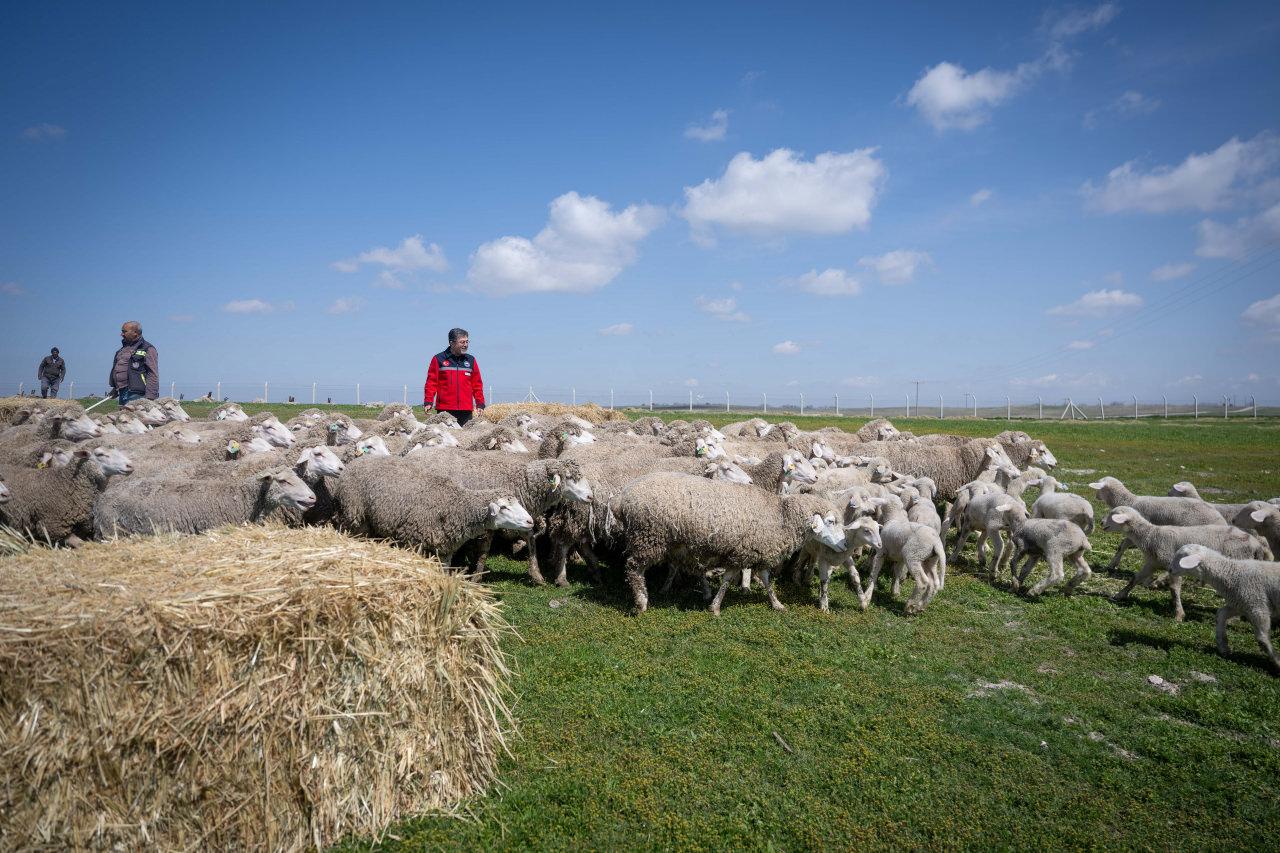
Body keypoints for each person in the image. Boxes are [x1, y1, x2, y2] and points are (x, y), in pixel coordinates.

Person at [423, 327, 485, 426]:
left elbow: (477, 385)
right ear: (451, 343)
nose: (465, 345)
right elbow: (431, 383)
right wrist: (428, 401)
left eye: (467, 342)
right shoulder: (438, 359)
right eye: (462, 342)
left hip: (466, 410)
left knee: (466, 435)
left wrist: (480, 404)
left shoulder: (471, 360)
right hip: (445, 410)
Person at [107, 321, 159, 407]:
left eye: (124, 331)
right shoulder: (121, 351)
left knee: (135, 415)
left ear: (135, 332)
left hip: (138, 394)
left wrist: (150, 397)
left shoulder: (147, 349)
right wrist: (115, 389)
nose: (121, 334)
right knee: (124, 415)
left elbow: (152, 373)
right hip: (122, 392)